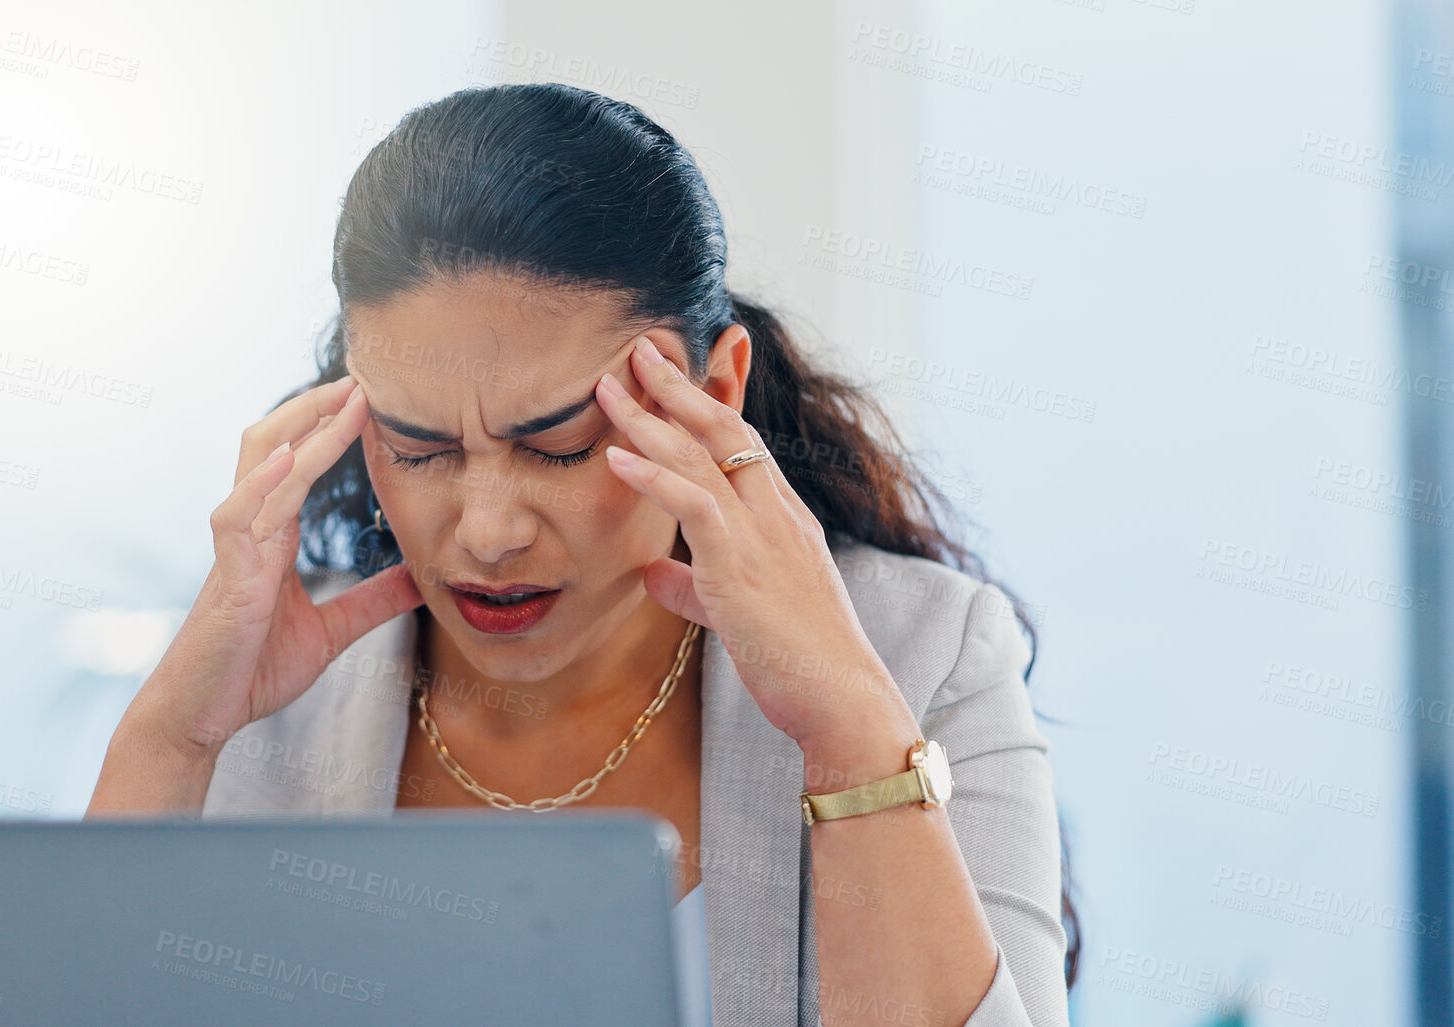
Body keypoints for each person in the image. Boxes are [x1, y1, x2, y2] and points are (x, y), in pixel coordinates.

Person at [89, 82, 1076, 1027]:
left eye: (559, 444)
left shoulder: (924, 654)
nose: (487, 531)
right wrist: (171, 740)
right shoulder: (274, 705)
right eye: (420, 448)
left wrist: (849, 730)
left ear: (714, 390)